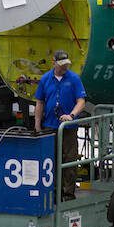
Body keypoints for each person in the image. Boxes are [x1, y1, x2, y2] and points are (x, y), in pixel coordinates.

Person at [34, 50, 86, 200]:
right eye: (62, 65)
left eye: (66, 65)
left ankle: (68, 192)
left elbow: (81, 101)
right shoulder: (45, 79)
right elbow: (39, 102)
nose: (64, 68)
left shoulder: (74, 79)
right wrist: (37, 125)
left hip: (68, 128)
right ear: (54, 63)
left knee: (69, 159)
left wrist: (71, 116)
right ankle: (53, 191)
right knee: (51, 158)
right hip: (50, 126)